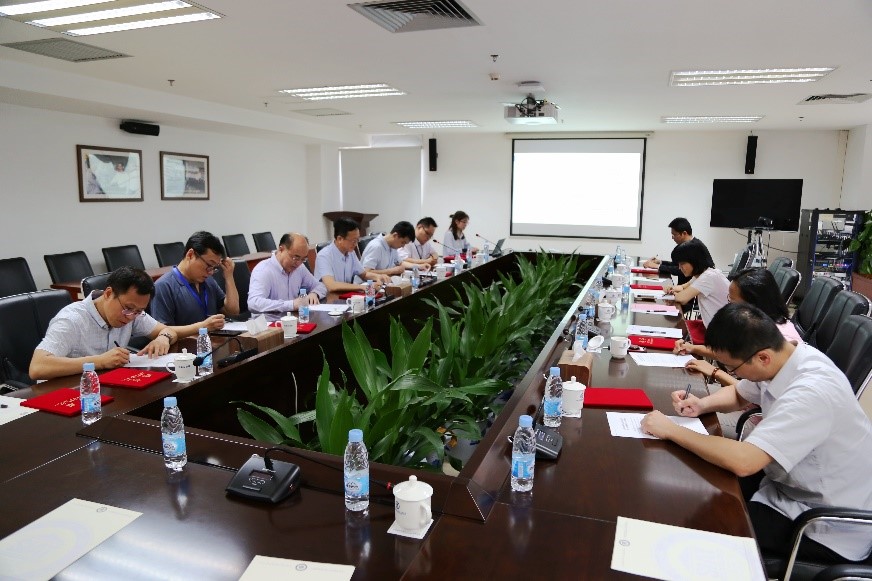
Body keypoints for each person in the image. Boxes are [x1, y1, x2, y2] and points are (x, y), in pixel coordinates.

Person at [641, 303, 872, 563]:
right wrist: (702, 404)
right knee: (702, 488)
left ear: (762, 358)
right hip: (790, 485)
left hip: (824, 523)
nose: (732, 374)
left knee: (704, 528)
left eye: (733, 368)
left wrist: (672, 430)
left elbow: (744, 461)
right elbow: (741, 393)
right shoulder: (787, 357)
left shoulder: (812, 391)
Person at [30, 267, 186, 380]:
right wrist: (100, 361)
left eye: (139, 311)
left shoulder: (133, 312)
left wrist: (163, 338)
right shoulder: (71, 320)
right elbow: (38, 367)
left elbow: (167, 330)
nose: (130, 317)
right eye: (128, 308)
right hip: (68, 392)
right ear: (108, 293)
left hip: (106, 387)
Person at [675, 267, 802, 360]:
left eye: (732, 301)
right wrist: (693, 348)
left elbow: (750, 387)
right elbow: (730, 352)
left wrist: (715, 372)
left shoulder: (780, 342)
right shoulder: (754, 324)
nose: (728, 306)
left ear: (753, 303)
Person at [152, 231, 239, 328]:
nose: (210, 272)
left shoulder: (208, 281)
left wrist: (229, 276)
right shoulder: (164, 286)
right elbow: (162, 331)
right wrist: (202, 327)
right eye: (209, 265)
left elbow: (233, 311)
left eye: (214, 268)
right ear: (190, 255)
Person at [247, 232, 326, 313]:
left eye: (303, 259)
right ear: (281, 249)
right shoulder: (263, 270)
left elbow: (321, 286)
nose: (298, 263)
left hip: (292, 318)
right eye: (295, 258)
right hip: (269, 320)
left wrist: (314, 293)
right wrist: (291, 305)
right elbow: (254, 303)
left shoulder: (300, 268)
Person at [314, 217, 390, 293]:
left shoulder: (351, 253)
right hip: (329, 298)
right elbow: (331, 286)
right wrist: (364, 287)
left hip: (346, 295)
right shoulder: (324, 256)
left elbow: (364, 274)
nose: (356, 244)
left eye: (357, 240)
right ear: (340, 239)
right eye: (353, 241)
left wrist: (378, 277)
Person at [664, 240, 729, 327]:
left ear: (694, 261)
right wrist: (672, 289)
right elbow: (682, 287)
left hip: (720, 329)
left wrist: (673, 294)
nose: (679, 267)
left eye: (682, 263)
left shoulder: (708, 277)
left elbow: (682, 298)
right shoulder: (703, 274)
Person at [643, 218, 714, 286]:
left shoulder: (694, 247)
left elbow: (681, 270)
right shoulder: (691, 244)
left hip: (694, 287)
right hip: (687, 285)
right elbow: (677, 265)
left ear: (684, 233)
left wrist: (657, 266)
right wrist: (660, 262)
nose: (672, 237)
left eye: (674, 234)